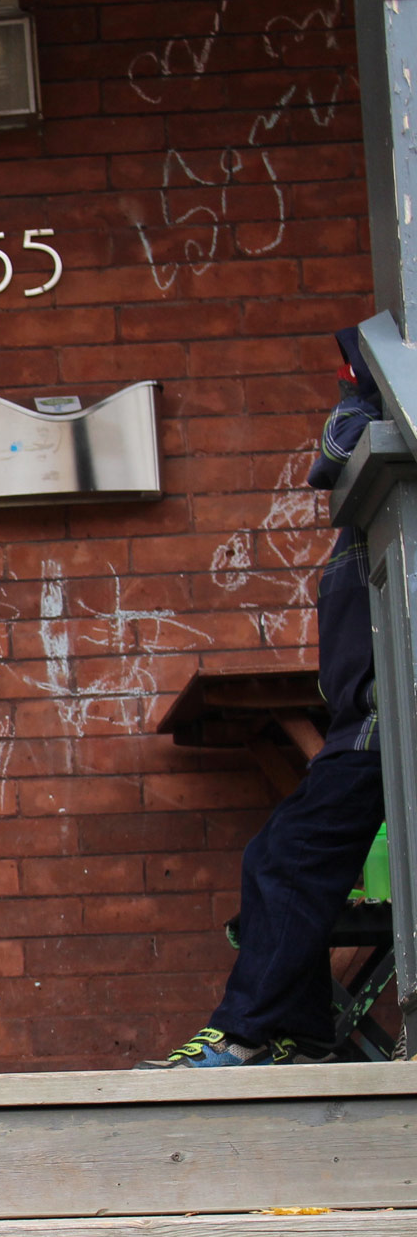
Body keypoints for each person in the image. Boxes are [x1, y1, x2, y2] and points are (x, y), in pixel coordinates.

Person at [140, 326, 385, 1067]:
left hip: (384, 726)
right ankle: (297, 1031)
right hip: (366, 722)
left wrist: (370, 384)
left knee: (289, 858)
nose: (340, 383)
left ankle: (254, 1034)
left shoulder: (380, 420)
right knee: (276, 856)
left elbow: (338, 451)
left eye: (349, 370)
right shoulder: (375, 519)